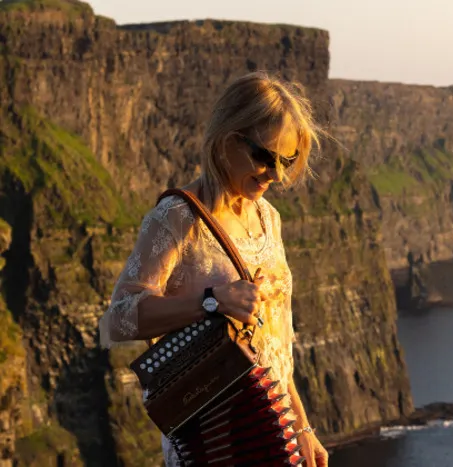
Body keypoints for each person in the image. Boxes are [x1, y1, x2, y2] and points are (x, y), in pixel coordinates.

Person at [97, 71, 330, 467]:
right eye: (264, 157)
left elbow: (274, 346)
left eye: (287, 161)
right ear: (226, 140)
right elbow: (116, 322)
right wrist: (211, 301)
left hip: (270, 433)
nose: (276, 174)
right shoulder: (177, 218)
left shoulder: (269, 219)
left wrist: (302, 429)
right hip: (213, 437)